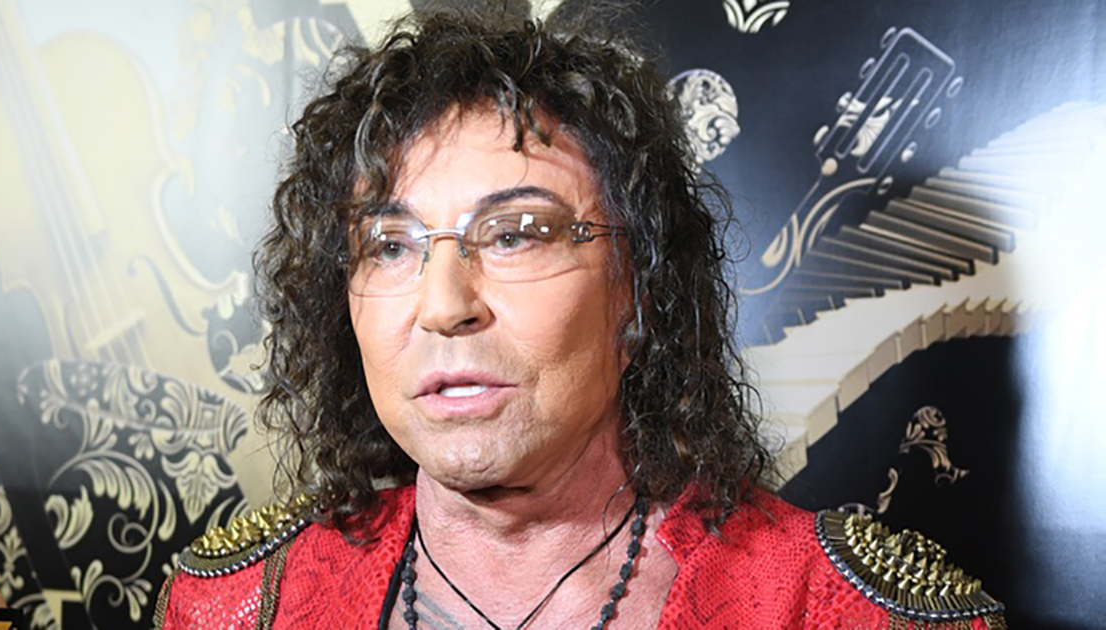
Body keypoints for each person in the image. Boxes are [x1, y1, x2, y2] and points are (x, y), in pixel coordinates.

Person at [156, 8, 1004, 629]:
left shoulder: (852, 612)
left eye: (516, 233)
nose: (444, 305)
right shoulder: (236, 602)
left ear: (640, 287)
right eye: (388, 246)